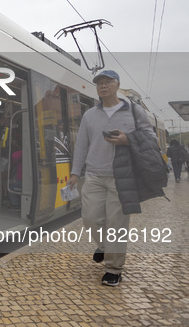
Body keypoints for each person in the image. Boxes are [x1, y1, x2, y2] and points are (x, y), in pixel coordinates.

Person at [66, 70, 158, 287]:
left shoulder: (134, 111)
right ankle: (105, 246)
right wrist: (74, 173)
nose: (103, 86)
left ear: (117, 85)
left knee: (117, 224)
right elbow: (81, 146)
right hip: (94, 175)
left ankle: (113, 269)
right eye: (99, 83)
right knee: (90, 218)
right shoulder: (90, 115)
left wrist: (128, 139)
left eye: (107, 82)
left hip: (122, 176)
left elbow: (151, 138)